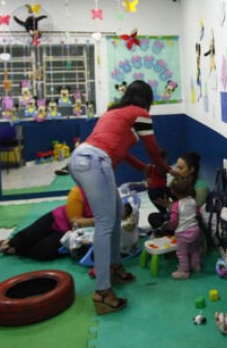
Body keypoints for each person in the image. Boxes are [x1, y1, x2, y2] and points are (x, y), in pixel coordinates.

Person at [69, 80, 172, 315]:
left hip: (80, 158)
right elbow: (153, 150)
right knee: (105, 224)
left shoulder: (114, 112)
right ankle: (103, 292)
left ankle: (114, 267)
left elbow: (121, 151)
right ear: (147, 100)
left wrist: (142, 168)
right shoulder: (141, 114)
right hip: (95, 161)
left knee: (115, 214)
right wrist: (165, 168)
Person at [0, 185, 92, 260]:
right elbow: (74, 220)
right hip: (59, 217)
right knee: (22, 238)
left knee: (41, 252)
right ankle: (10, 243)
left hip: (73, 233)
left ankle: (16, 249)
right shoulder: (78, 191)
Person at [168, 175, 201, 279]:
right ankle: (196, 266)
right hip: (195, 230)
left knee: (182, 253)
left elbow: (173, 221)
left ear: (173, 192)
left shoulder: (176, 205)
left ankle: (184, 271)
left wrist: (171, 227)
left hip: (183, 233)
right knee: (194, 250)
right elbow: (197, 213)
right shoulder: (193, 201)